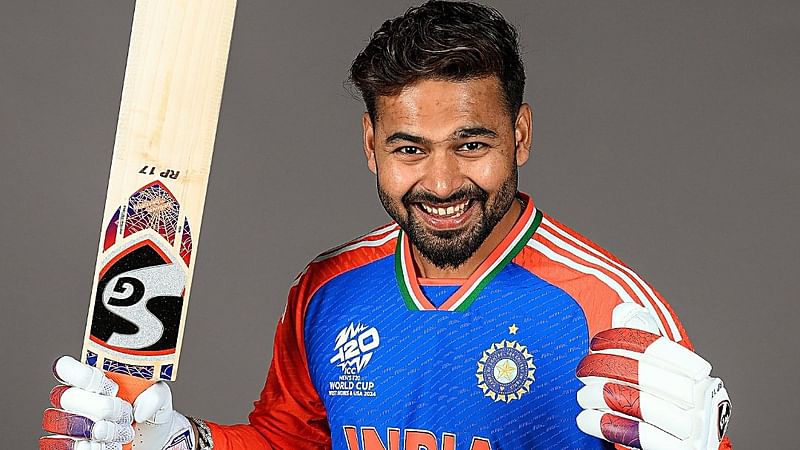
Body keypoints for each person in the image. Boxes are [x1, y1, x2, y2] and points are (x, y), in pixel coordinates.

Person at [40, 1, 732, 449]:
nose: (440, 183)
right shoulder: (330, 288)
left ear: (520, 135)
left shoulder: (610, 308)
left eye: (472, 144)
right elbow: (292, 441)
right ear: (370, 144)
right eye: (409, 150)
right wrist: (182, 442)